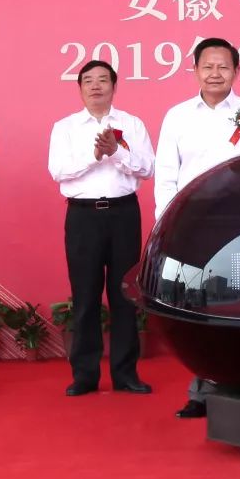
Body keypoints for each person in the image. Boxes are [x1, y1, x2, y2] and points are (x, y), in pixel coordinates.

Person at [158, 38, 240, 418]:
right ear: (194, 70)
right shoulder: (177, 116)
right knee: (199, 304)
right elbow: (166, 175)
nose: (215, 73)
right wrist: (165, 223)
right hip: (192, 220)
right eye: (207, 66)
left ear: (237, 71)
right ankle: (203, 391)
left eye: (223, 66)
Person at [48, 60, 155, 396]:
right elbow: (58, 170)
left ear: (114, 86)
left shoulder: (132, 124)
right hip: (83, 217)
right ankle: (85, 375)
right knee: (85, 295)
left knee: (124, 295)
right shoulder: (65, 127)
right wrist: (95, 154)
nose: (96, 86)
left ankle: (125, 374)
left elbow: (147, 168)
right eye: (89, 81)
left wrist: (116, 153)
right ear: (80, 88)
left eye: (103, 80)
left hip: (124, 214)